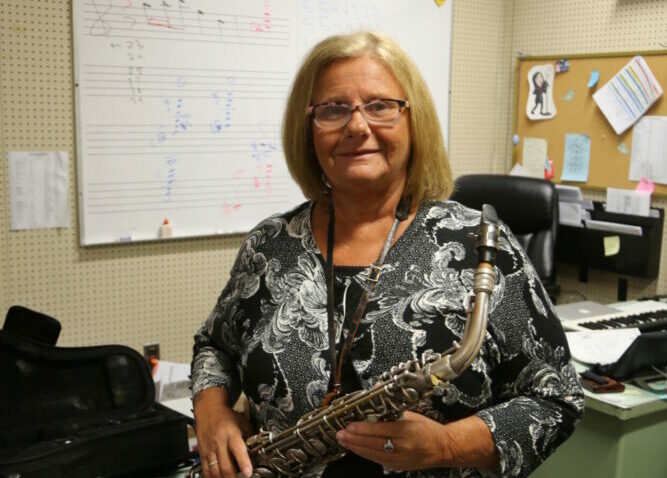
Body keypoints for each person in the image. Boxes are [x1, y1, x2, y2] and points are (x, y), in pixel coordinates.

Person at [191, 31, 584, 478]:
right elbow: (215, 346)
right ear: (309, 128)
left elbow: (556, 398)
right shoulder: (269, 245)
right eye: (334, 109)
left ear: (414, 122)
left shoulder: (478, 244)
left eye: (380, 106)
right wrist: (212, 413)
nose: (357, 127)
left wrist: (448, 445)